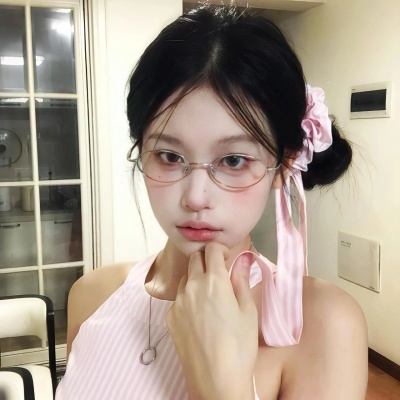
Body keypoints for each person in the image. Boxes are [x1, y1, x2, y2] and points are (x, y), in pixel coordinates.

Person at [56, 4, 368, 399]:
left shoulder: (322, 325)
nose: (196, 197)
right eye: (169, 156)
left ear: (283, 164)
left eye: (233, 160)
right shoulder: (91, 295)